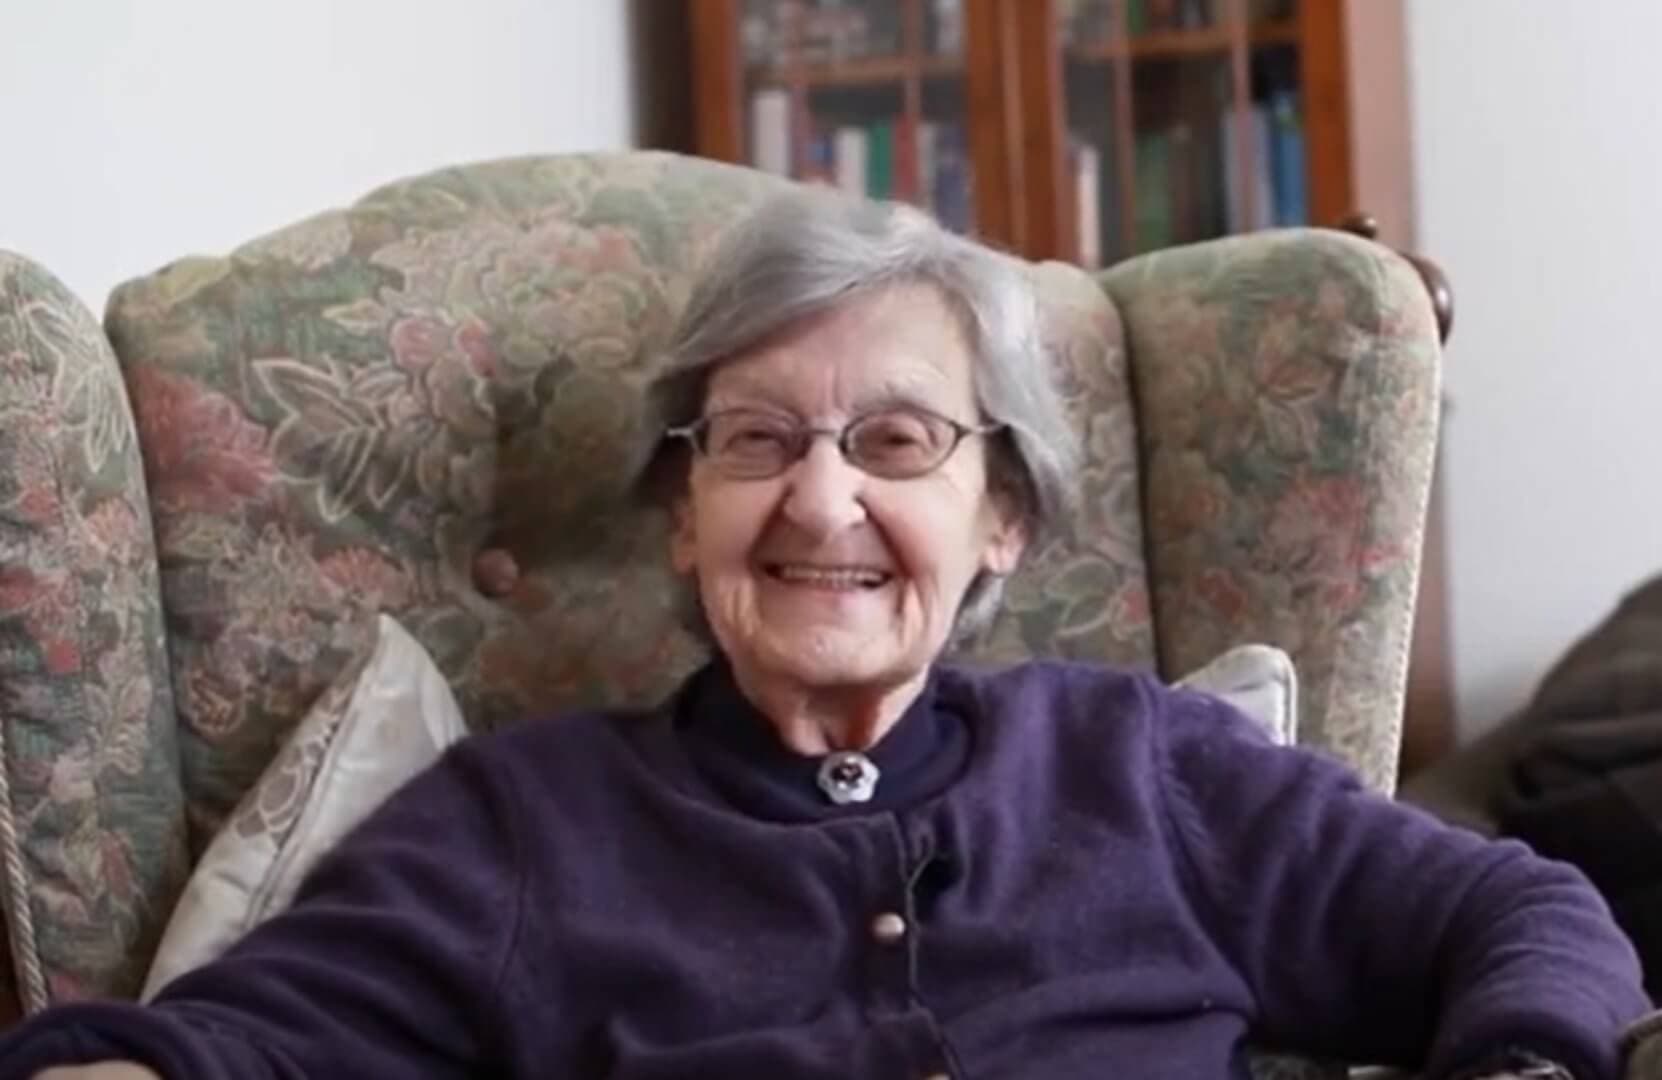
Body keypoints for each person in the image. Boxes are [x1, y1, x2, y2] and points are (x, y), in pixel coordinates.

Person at [1, 191, 1648, 1080]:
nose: (820, 501)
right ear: (680, 509)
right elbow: (253, 1039)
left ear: (1002, 516)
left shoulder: (1140, 769)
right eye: (754, 439)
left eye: (898, 441)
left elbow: (1516, 916)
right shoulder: (527, 825)